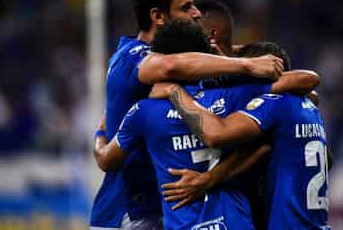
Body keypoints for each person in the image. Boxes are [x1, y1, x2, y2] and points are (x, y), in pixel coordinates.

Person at [90, 0, 285, 230]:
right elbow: (169, 66)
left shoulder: (188, 64)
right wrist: (248, 65)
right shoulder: (132, 58)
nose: (196, 14)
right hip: (127, 213)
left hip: (175, 207)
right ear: (158, 16)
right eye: (186, 7)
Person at [94, 20, 321, 229]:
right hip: (236, 222)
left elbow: (106, 159)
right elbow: (305, 84)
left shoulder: (142, 112)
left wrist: (101, 130)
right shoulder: (232, 99)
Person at [152, 42, 331, 230]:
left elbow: (215, 134)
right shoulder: (308, 107)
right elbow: (258, 148)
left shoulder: (274, 103)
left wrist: (175, 92)